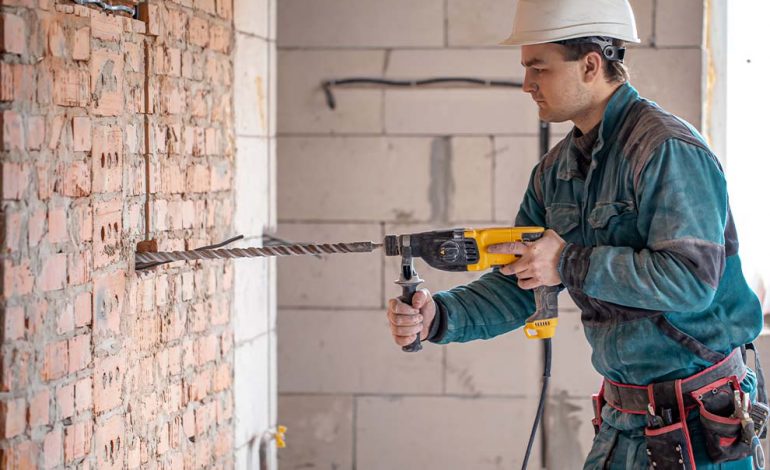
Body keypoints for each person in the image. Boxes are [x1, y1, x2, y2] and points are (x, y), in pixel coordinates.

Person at [385, 0, 766, 468]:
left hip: (698, 424)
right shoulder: (555, 172)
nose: (526, 84)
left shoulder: (666, 150)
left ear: (590, 65)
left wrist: (567, 261)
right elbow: (518, 281)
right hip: (623, 420)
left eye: (538, 68)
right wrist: (438, 317)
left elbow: (689, 281)